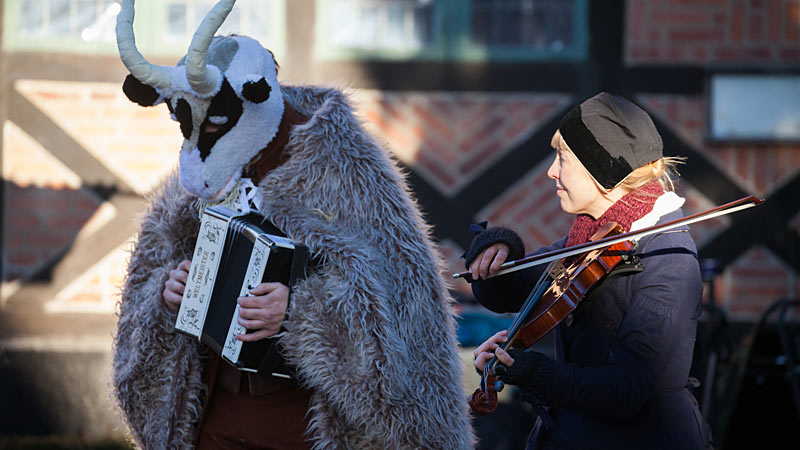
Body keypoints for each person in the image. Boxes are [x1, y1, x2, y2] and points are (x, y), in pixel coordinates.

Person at [112, 1, 474, 449]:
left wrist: (298, 310)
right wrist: (170, 291)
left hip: (304, 420)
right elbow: (154, 266)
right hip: (213, 409)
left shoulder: (346, 170)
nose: (195, 163)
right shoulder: (198, 175)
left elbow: (395, 296)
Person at [466, 92, 714, 450]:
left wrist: (534, 373)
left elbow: (627, 390)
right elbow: (512, 289)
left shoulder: (670, 258)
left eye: (563, 158)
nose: (552, 170)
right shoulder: (591, 236)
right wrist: (497, 251)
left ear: (603, 170)